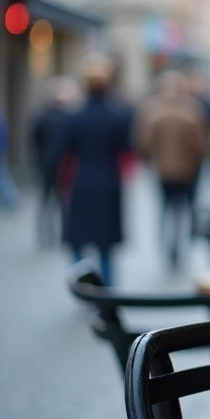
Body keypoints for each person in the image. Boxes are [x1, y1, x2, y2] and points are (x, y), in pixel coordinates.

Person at [58, 56, 132, 286]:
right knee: (106, 243)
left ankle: (85, 284)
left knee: (78, 238)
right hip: (109, 179)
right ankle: (106, 290)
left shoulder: (75, 116)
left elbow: (65, 151)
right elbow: (127, 149)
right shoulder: (119, 115)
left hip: (83, 179)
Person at [135, 70, 210, 270]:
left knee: (164, 209)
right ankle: (178, 245)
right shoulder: (193, 108)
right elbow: (201, 144)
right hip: (188, 169)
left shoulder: (152, 109)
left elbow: (144, 142)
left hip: (162, 170)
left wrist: (152, 159)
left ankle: (165, 246)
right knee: (182, 209)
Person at [31, 76, 78, 248]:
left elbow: (34, 140)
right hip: (63, 166)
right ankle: (64, 233)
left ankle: (44, 233)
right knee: (64, 201)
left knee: (46, 200)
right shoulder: (70, 118)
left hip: (46, 164)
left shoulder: (42, 116)